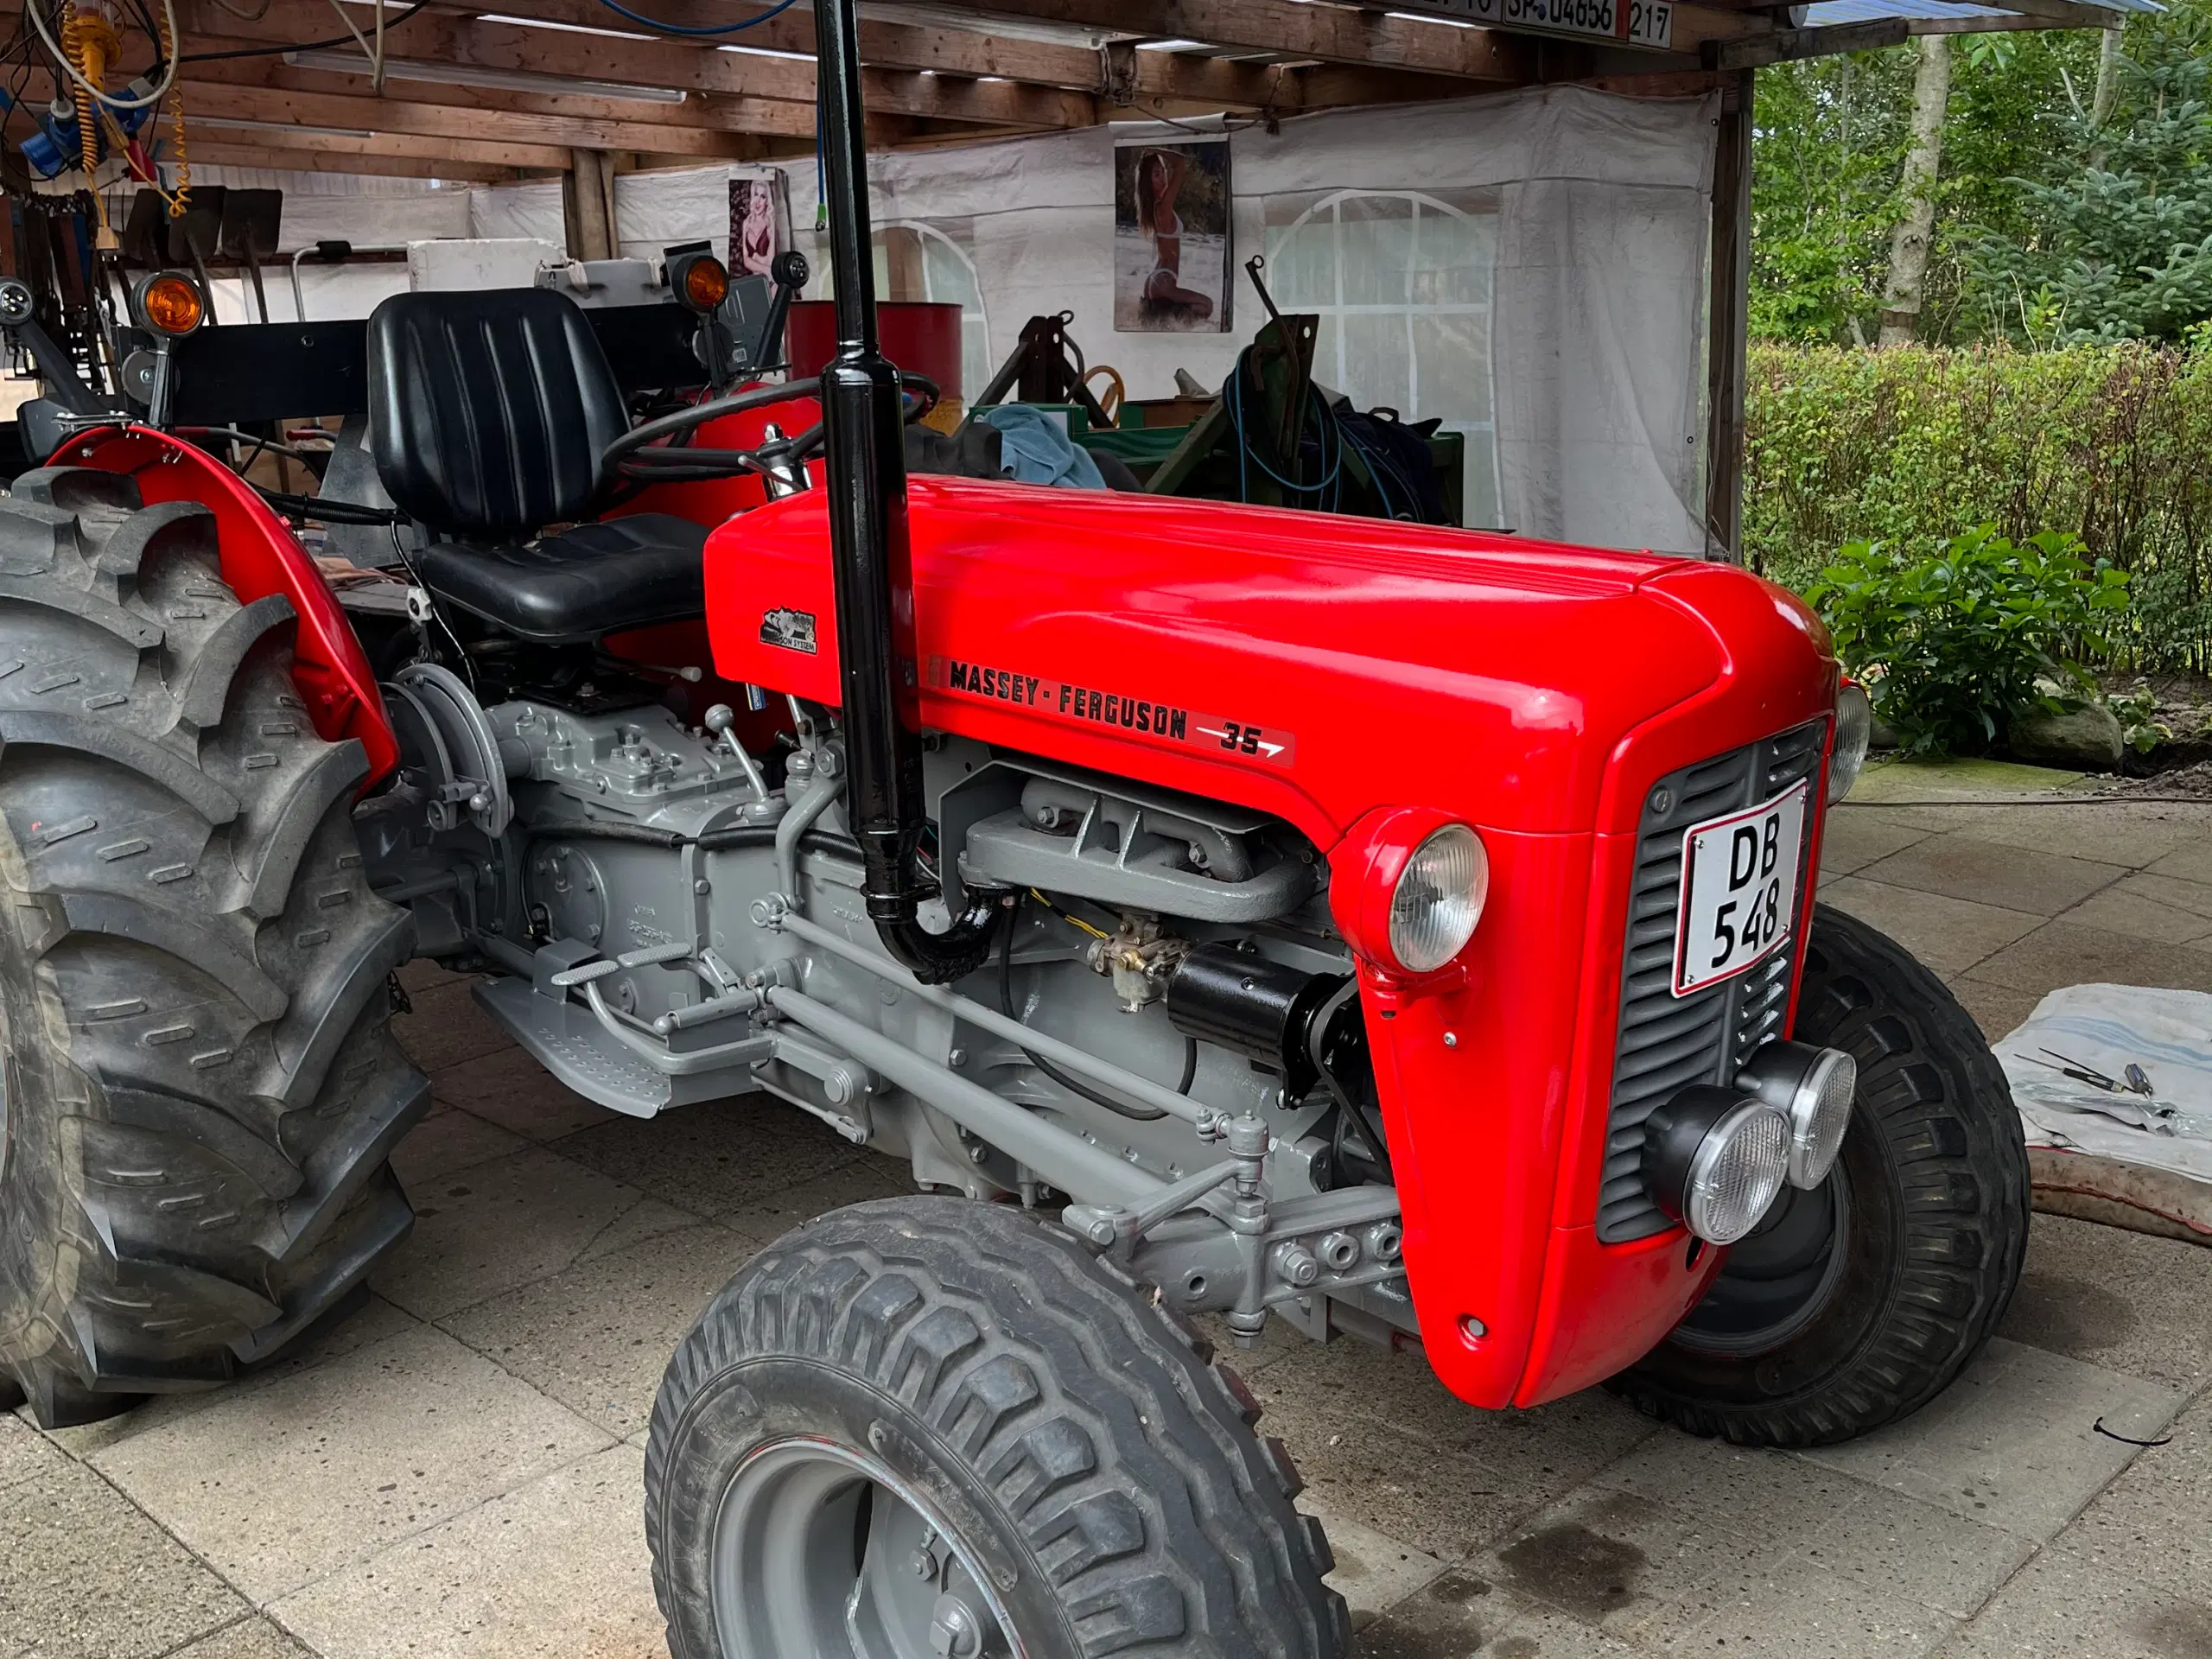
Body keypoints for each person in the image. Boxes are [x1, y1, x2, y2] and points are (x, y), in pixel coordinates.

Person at [1135, 149, 1214, 321]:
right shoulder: (1163, 207)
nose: (1163, 177)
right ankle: (1164, 317)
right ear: (1148, 181)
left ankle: (1157, 314)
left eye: (1163, 171)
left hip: (1157, 280)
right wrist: (1155, 148)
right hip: (1163, 282)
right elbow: (1180, 163)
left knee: (1200, 307)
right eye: (1156, 174)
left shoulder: (1157, 207)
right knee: (1206, 306)